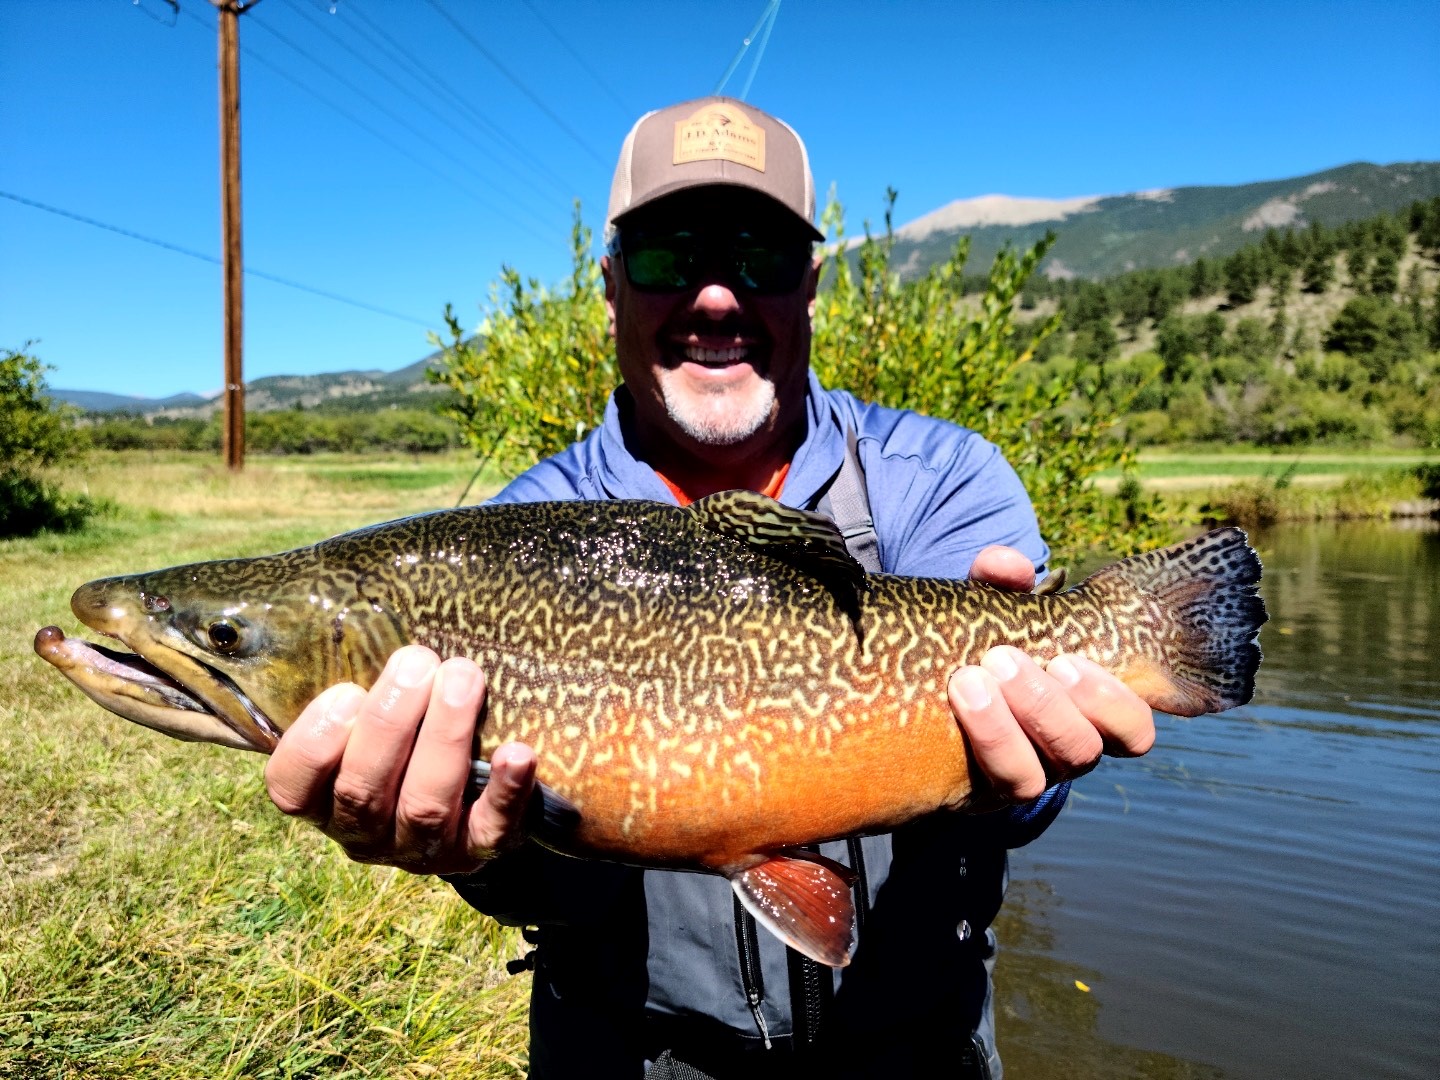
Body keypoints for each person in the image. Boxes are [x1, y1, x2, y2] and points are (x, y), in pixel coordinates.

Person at [264, 97, 1155, 1079]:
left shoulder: (939, 477)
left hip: (918, 1047)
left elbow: (1025, 778)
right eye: (669, 256)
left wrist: (1022, 788)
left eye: (761, 257)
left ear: (811, 287)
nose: (717, 297)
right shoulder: (528, 528)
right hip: (628, 1052)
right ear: (610, 287)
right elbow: (529, 857)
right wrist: (473, 851)